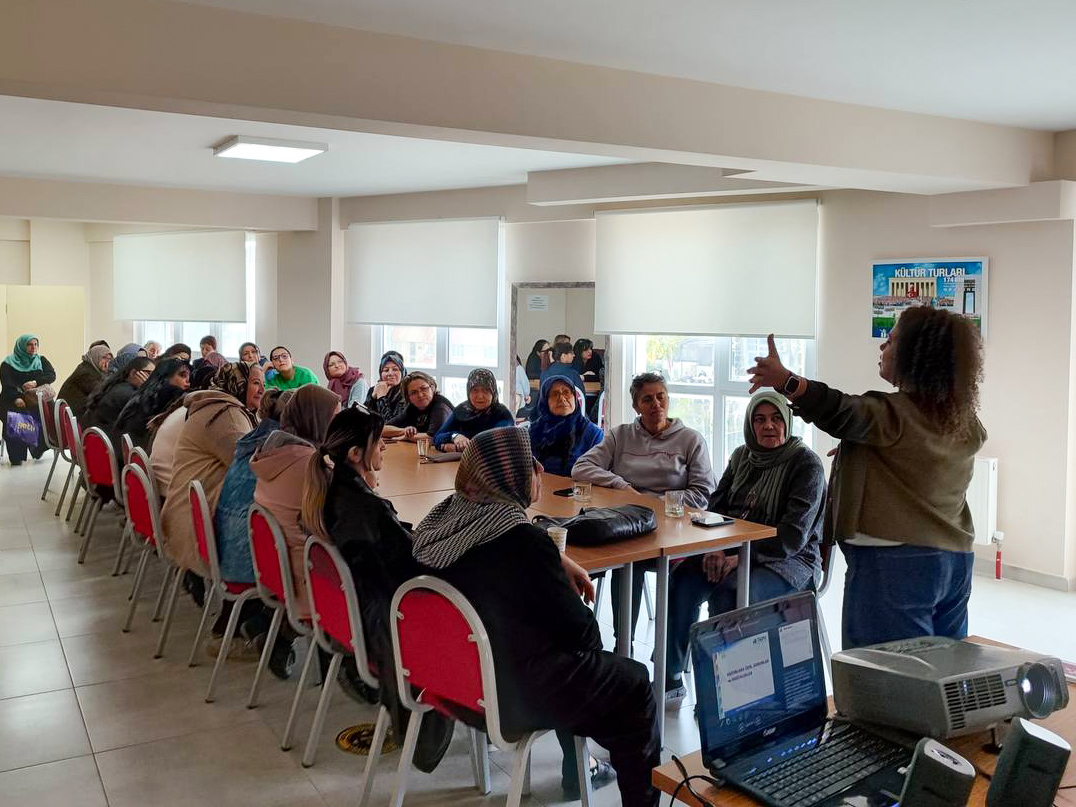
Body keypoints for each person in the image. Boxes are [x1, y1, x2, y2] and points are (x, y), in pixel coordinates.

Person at [412, 428, 661, 807]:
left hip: (459, 683)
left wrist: (553, 557)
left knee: (568, 654)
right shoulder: (522, 543)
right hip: (512, 695)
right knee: (635, 682)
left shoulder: (442, 525)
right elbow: (582, 633)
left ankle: (578, 768)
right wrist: (549, 560)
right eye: (529, 463)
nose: (540, 469)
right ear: (508, 477)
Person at [748, 308, 987, 649]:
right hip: (956, 563)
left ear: (915, 355)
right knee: (944, 666)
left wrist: (787, 381)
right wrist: (857, 454)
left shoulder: (893, 413)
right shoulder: (963, 421)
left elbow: (841, 411)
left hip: (895, 563)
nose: (882, 347)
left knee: (884, 670)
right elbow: (916, 460)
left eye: (891, 341)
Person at [300, 405, 455, 771]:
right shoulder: (364, 509)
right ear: (356, 455)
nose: (384, 447)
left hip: (357, 616)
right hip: (388, 624)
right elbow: (414, 567)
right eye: (378, 442)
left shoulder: (334, 493)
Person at [664, 391, 825, 708]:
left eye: (776, 418)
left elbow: (792, 537)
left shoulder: (806, 464)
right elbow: (716, 509)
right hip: (731, 551)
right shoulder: (741, 457)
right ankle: (671, 678)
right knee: (682, 577)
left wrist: (739, 558)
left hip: (789, 562)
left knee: (730, 595)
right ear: (750, 425)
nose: (769, 426)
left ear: (787, 422)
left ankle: (728, 697)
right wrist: (714, 550)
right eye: (759, 419)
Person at [572, 372, 715, 647]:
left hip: (673, 530)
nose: (656, 404)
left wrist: (655, 504)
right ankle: (620, 644)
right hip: (627, 522)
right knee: (614, 556)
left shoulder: (690, 439)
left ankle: (642, 651)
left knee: (630, 559)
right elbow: (581, 467)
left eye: (661, 397)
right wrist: (622, 485)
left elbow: (703, 494)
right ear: (636, 406)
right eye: (647, 399)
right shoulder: (621, 435)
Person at [159, 363, 263, 578]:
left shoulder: (216, 405)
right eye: (255, 383)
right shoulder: (227, 414)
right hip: (196, 530)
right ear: (239, 384)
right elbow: (251, 470)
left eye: (264, 384)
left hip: (185, 512)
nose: (263, 390)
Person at [250, 384, 341, 618]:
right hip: (313, 582)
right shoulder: (310, 466)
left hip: (282, 574)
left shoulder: (274, 451)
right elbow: (344, 518)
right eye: (335, 418)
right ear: (316, 419)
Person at [528, 375, 604, 477]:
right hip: (541, 485)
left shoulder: (593, 434)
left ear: (574, 397)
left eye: (566, 392)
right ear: (545, 401)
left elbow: (598, 473)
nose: (562, 398)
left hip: (578, 486)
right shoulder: (535, 431)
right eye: (555, 394)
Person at [1, 335, 57, 465]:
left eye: (36, 344)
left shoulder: (41, 360)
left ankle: (39, 448)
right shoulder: (8, 363)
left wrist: (35, 382)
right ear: (21, 346)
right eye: (29, 344)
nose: (33, 347)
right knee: (14, 418)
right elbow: (7, 383)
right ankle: (17, 456)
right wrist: (16, 398)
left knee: (46, 411)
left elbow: (51, 375)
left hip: (34, 398)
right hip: (12, 398)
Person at [113, 358, 192, 449]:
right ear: (165, 377)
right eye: (183, 375)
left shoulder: (140, 396)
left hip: (125, 453)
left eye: (189, 377)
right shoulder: (171, 399)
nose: (188, 382)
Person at [433, 368, 514, 452]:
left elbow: (492, 444)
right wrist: (455, 436)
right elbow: (437, 437)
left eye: (486, 390)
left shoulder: (501, 414)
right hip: (460, 460)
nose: (480, 396)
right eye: (475, 390)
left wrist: (455, 448)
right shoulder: (462, 410)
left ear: (493, 393)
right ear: (468, 392)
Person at [82, 357, 155, 442]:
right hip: (109, 444)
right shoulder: (127, 393)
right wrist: (147, 388)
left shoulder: (120, 386)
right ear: (133, 373)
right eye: (150, 373)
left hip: (99, 441)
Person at [381, 371, 453, 440]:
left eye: (424, 389)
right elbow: (382, 429)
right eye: (413, 392)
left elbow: (433, 438)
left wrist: (407, 437)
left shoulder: (440, 406)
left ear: (432, 388)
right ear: (408, 397)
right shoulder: (412, 407)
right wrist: (404, 431)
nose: (420, 395)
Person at [58, 344, 113, 419]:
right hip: (71, 418)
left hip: (73, 414)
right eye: (104, 358)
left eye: (110, 359)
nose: (107, 362)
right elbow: (101, 391)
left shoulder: (89, 369)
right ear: (95, 357)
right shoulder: (85, 372)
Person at [364, 350, 407, 422]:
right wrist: (372, 399)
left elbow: (390, 423)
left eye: (395, 369)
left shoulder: (407, 393)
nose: (390, 373)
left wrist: (381, 398)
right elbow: (363, 419)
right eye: (386, 370)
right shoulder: (374, 389)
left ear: (402, 372)